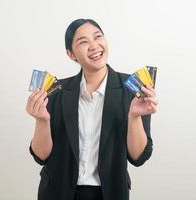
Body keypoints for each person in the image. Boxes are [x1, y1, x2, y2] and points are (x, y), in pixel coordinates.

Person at [26, 18, 158, 200]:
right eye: (83, 41)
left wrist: (134, 116)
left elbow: (138, 157)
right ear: (71, 54)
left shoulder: (133, 89)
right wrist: (42, 120)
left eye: (98, 37)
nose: (94, 45)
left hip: (109, 193)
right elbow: (41, 156)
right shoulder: (56, 92)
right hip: (58, 192)